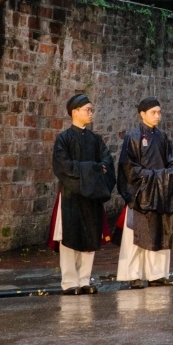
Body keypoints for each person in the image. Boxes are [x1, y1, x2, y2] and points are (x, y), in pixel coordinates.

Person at [50, 93, 115, 295]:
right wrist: (92, 170)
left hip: (92, 196)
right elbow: (63, 167)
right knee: (69, 237)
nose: (90, 113)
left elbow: (106, 164)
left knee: (90, 236)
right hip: (71, 195)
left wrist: (91, 173)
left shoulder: (96, 140)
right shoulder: (63, 139)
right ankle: (69, 282)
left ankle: (85, 279)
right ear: (75, 112)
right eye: (87, 109)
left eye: (91, 109)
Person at [116, 97, 173, 289]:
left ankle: (157, 274)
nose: (157, 116)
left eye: (159, 112)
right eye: (153, 112)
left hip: (161, 192)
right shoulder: (133, 137)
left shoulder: (162, 137)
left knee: (160, 233)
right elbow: (128, 166)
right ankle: (134, 275)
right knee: (137, 234)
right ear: (142, 114)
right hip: (141, 193)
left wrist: (166, 176)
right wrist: (151, 177)